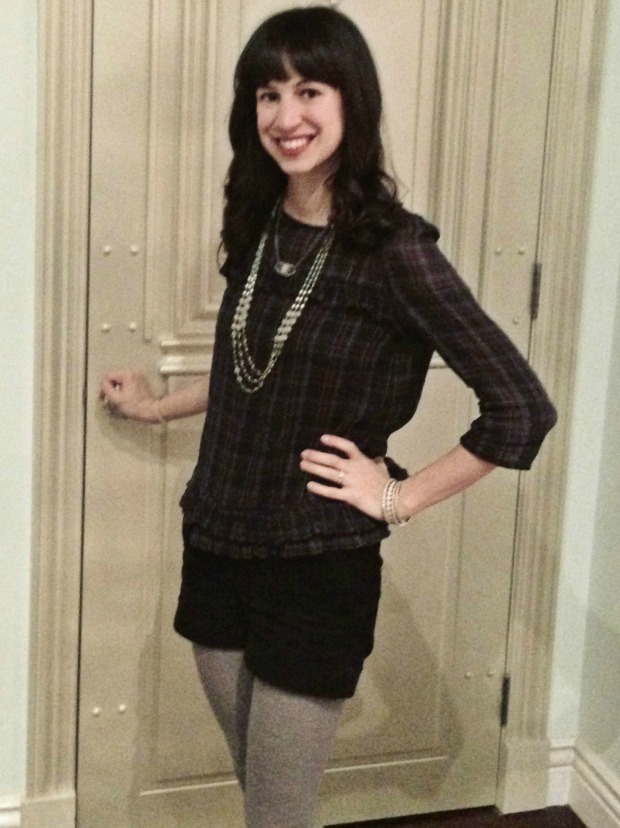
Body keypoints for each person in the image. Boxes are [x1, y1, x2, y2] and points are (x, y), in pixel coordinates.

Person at [100, 6, 557, 828]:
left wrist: (397, 497)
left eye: (309, 90)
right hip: (215, 544)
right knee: (265, 799)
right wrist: (154, 406)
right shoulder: (259, 220)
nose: (286, 116)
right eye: (268, 94)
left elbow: (521, 408)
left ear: (352, 101)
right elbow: (255, 368)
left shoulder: (395, 251)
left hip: (315, 568)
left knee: (276, 814)